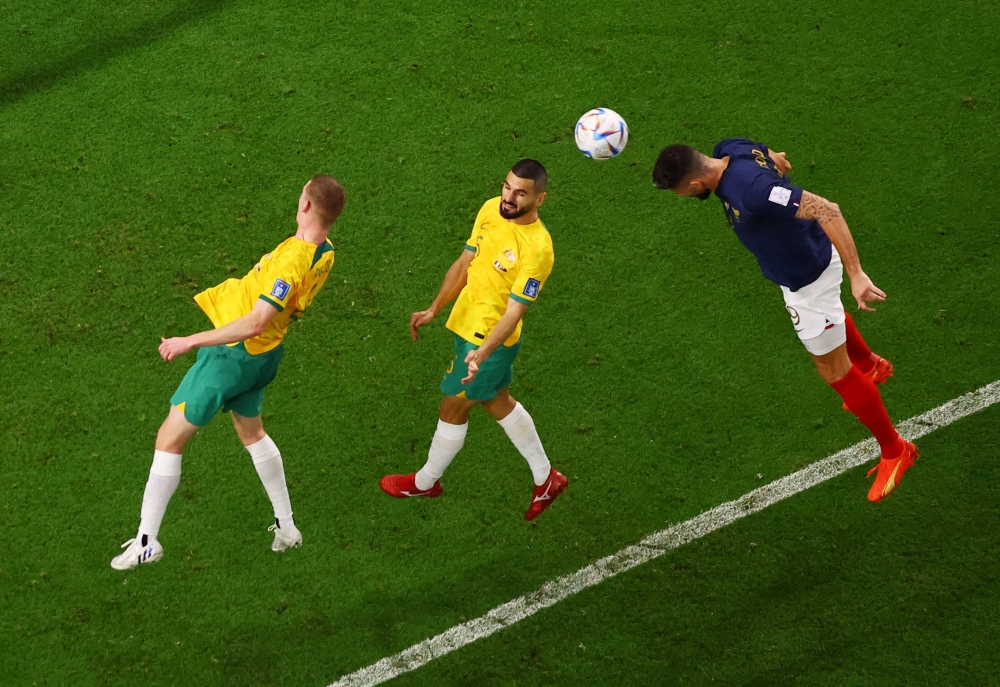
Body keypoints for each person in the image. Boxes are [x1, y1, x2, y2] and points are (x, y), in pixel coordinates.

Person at [652, 140, 917, 502]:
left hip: (810, 279)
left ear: (695, 185)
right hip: (799, 266)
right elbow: (773, 159)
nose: (682, 196)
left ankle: (895, 450)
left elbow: (827, 209)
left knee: (833, 371)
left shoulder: (750, 190)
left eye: (680, 191)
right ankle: (871, 366)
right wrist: (775, 171)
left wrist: (856, 274)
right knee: (833, 339)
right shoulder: (729, 148)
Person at [111, 175, 345, 570]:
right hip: (264, 356)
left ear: (306, 205)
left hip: (233, 356)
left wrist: (191, 341)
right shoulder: (326, 251)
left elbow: (255, 321)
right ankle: (287, 527)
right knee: (252, 432)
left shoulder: (293, 262)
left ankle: (147, 542)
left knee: (169, 438)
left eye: (300, 193)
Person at [379, 159, 567, 520]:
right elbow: (466, 261)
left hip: (486, 344)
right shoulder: (490, 209)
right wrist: (435, 308)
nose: (509, 197)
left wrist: (481, 354)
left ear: (540, 199)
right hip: (467, 327)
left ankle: (425, 481)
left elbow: (514, 313)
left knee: (452, 406)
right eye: (506, 186)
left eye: (520, 193)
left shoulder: (538, 251)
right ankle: (546, 478)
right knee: (496, 399)